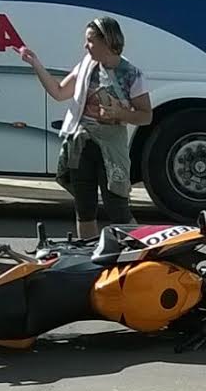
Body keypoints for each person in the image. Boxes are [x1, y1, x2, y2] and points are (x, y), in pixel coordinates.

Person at [19, 16, 152, 239]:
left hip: (111, 147)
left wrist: (119, 113)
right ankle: (88, 258)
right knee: (84, 210)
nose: (85, 45)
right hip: (81, 144)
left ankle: (141, 254)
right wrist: (36, 64)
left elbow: (146, 116)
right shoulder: (86, 65)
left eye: (90, 40)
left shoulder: (131, 74)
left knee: (117, 208)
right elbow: (59, 92)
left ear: (107, 41)